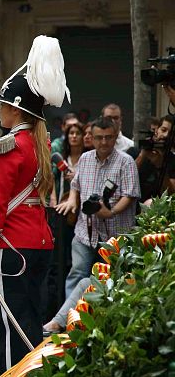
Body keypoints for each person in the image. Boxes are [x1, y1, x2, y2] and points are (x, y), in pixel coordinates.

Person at [0, 36, 67, 375]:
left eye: (3, 105)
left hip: (10, 245)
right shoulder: (38, 143)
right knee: (29, 319)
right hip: (38, 243)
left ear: (16, 109)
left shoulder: (9, 145)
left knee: (10, 329)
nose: (0, 110)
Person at [56, 116, 140, 297]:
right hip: (85, 232)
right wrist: (72, 200)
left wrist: (110, 212)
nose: (104, 142)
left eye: (108, 137)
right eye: (99, 137)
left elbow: (130, 195)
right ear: (91, 138)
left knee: (115, 279)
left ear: (116, 136)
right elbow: (75, 185)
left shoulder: (126, 162)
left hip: (116, 233)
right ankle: (70, 319)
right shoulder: (85, 159)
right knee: (76, 274)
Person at [136, 114, 175, 203]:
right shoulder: (134, 152)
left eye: (171, 133)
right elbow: (124, 179)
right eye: (163, 130)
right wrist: (142, 156)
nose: (165, 135)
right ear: (156, 130)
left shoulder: (173, 161)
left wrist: (160, 165)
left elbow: (170, 193)